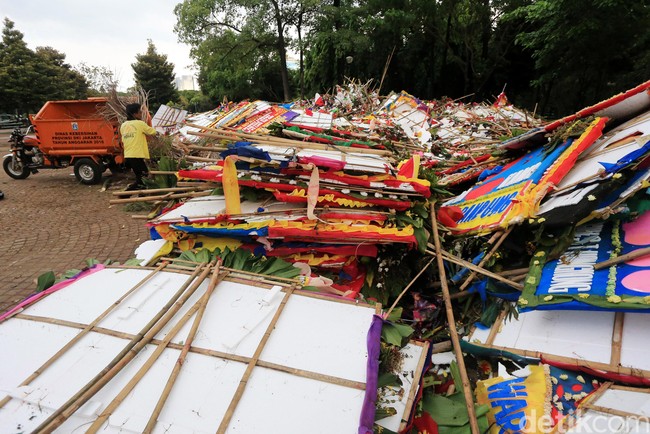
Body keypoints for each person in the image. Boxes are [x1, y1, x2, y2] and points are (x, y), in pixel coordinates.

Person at [120, 103, 157, 190]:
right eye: (140, 112)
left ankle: (140, 194)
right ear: (134, 114)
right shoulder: (140, 124)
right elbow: (152, 132)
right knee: (143, 176)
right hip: (137, 154)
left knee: (141, 176)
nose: (141, 114)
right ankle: (126, 194)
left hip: (129, 155)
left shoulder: (123, 125)